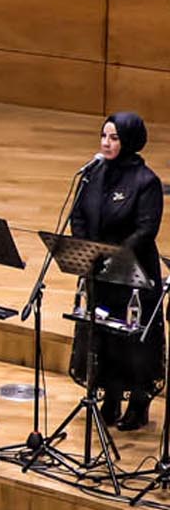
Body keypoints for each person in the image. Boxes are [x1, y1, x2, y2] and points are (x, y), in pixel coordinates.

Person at [68, 112, 164, 434]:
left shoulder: (146, 182)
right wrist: (87, 248)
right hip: (99, 270)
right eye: (104, 136)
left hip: (133, 272)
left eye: (114, 138)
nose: (106, 143)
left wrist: (114, 255)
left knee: (132, 341)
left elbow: (146, 229)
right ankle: (109, 398)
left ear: (129, 141)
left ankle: (138, 404)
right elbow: (78, 214)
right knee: (102, 336)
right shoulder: (92, 174)